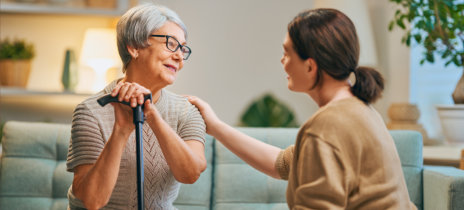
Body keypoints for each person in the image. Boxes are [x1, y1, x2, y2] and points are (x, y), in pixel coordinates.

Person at [187, 8, 417, 209]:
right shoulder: (359, 110)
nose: (282, 61)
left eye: (287, 53)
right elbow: (283, 164)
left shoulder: (327, 125)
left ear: (310, 66)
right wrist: (215, 126)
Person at [66, 3, 206, 210]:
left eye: (182, 48)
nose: (179, 57)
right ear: (134, 47)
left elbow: (190, 174)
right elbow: (93, 201)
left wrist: (153, 116)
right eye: (171, 44)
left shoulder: (186, 110)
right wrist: (121, 130)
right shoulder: (91, 111)